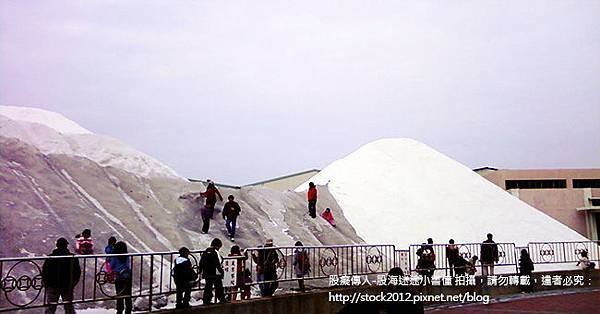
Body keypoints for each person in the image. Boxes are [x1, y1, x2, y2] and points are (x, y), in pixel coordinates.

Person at [42, 237, 81, 314]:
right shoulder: (72, 258)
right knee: (69, 307)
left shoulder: (50, 257)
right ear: (66, 246)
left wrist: (47, 284)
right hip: (67, 286)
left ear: (57, 245)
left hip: (53, 285)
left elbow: (44, 272)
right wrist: (72, 284)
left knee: (51, 308)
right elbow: (77, 272)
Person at [199, 238, 226, 305]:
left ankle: (206, 300)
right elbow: (217, 263)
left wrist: (200, 271)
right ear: (217, 246)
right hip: (215, 273)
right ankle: (221, 299)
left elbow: (201, 262)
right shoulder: (215, 252)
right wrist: (222, 272)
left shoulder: (205, 252)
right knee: (219, 286)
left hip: (207, 273)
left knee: (208, 287)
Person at [111, 241, 132, 314]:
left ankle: (120, 310)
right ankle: (128, 309)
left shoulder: (115, 257)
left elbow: (111, 266)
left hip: (119, 277)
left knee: (119, 294)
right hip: (127, 277)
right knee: (128, 294)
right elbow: (128, 266)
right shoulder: (127, 256)